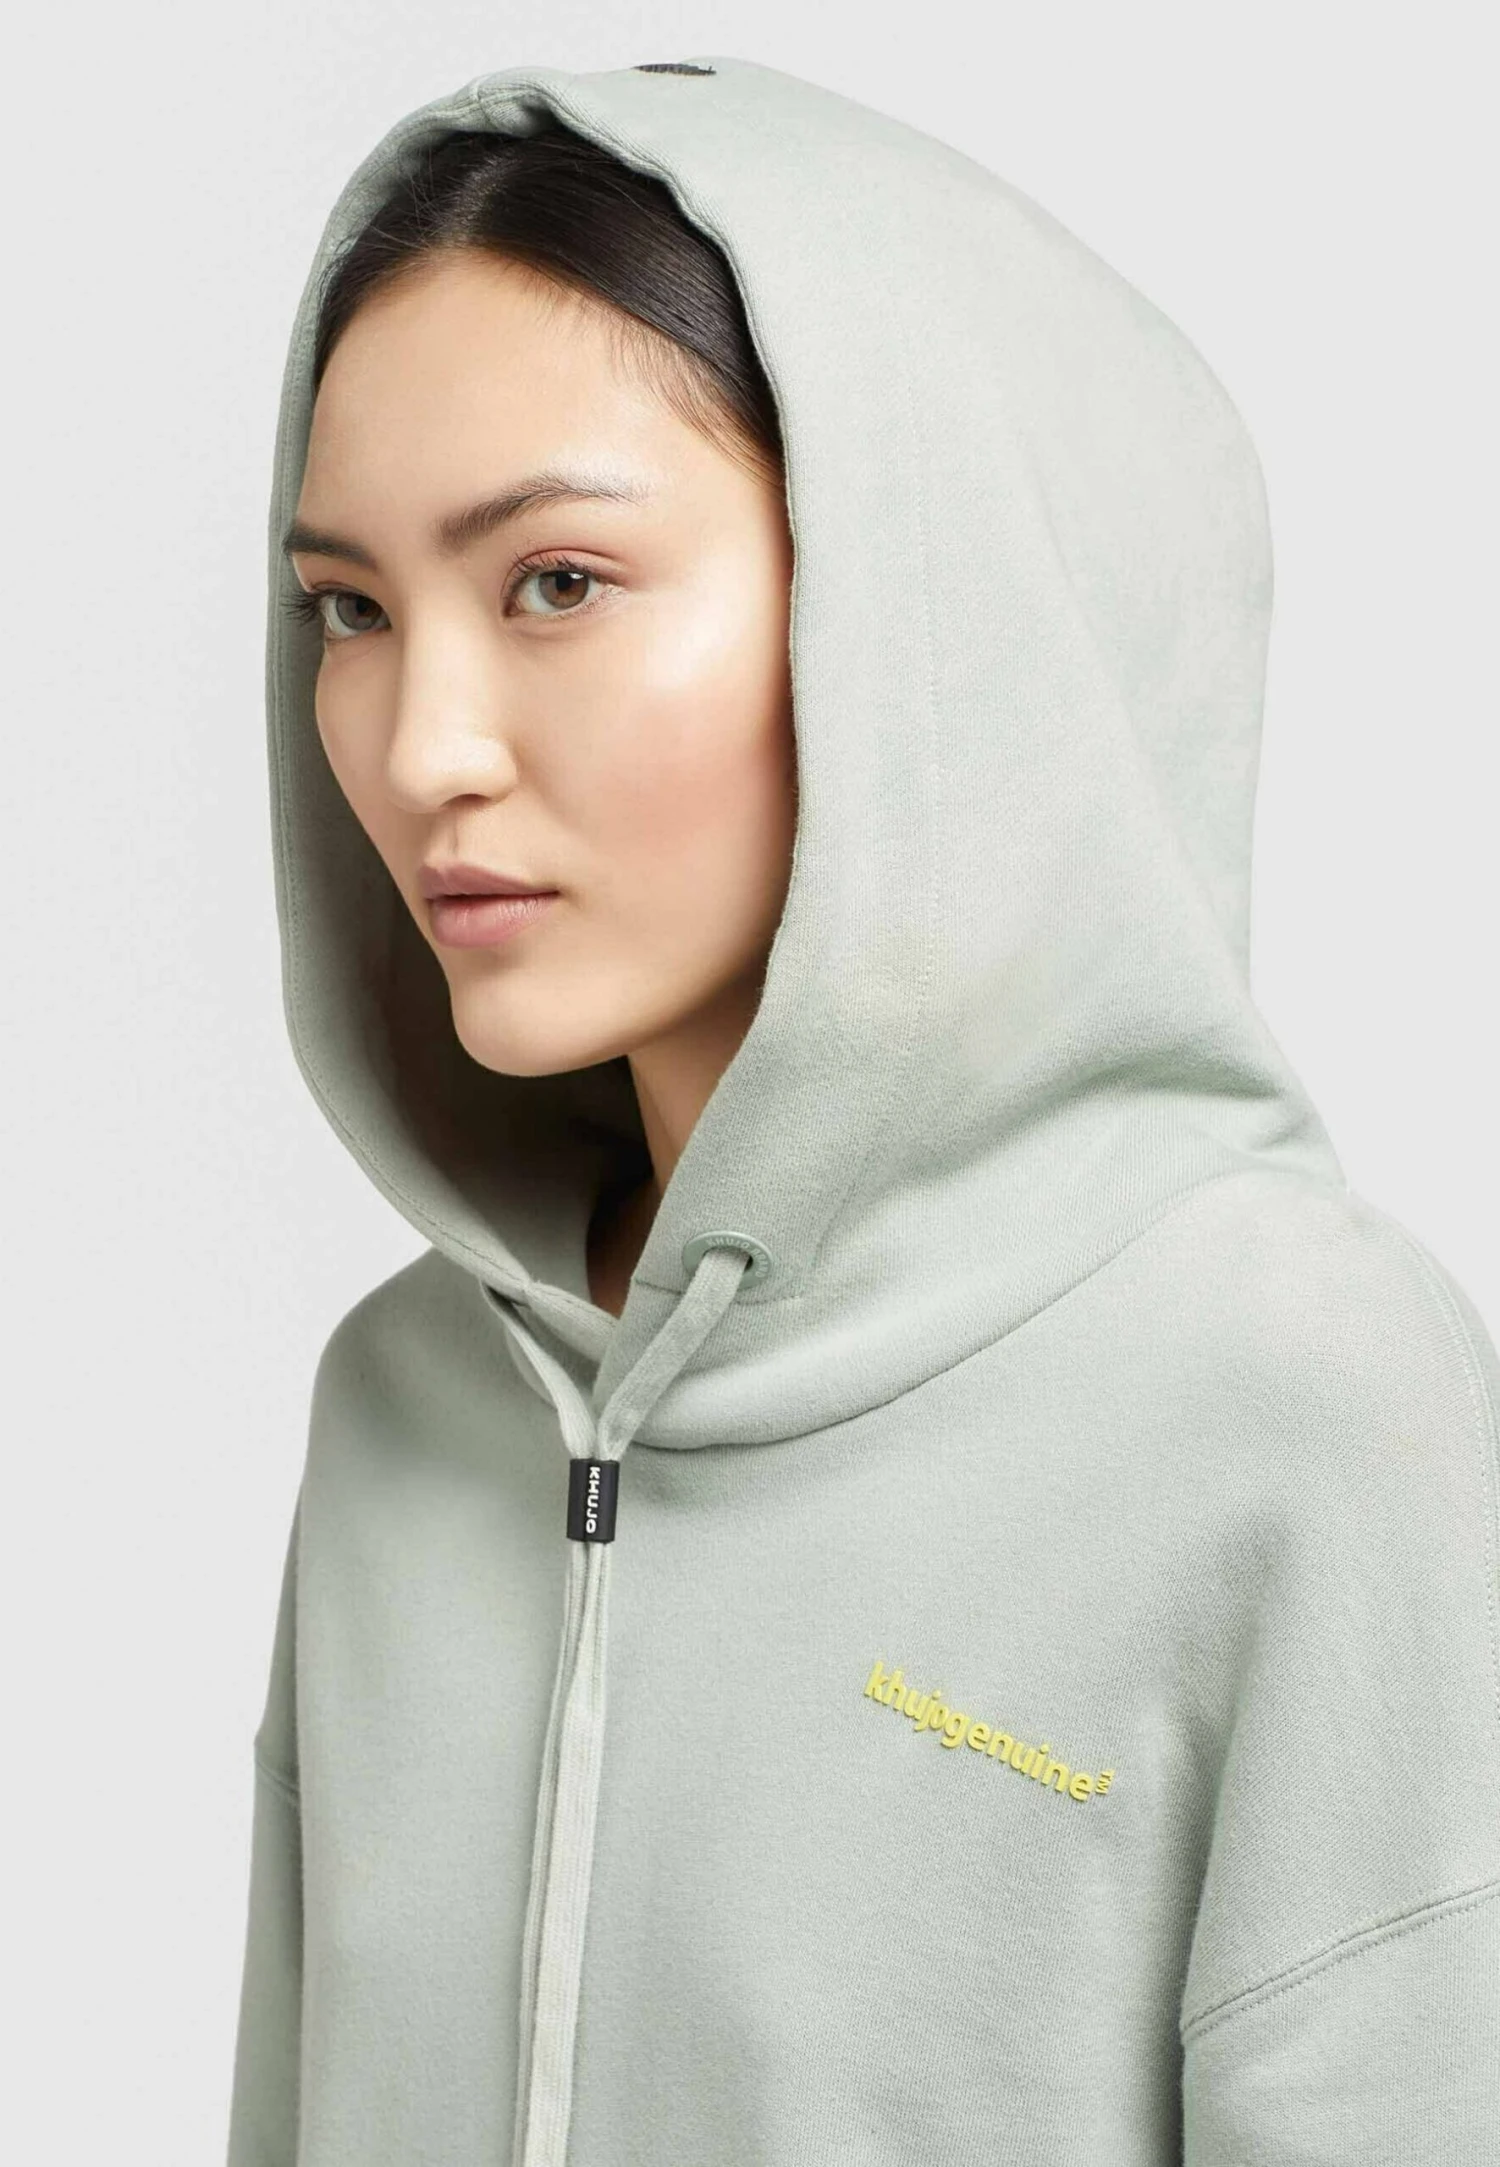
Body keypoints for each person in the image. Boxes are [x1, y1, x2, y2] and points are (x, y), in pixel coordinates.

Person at [227, 56, 1500, 2167]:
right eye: (350, 609)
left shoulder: (1301, 1410)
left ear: (919, 612)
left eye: (556, 580)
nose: (423, 744)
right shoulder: (403, 1408)